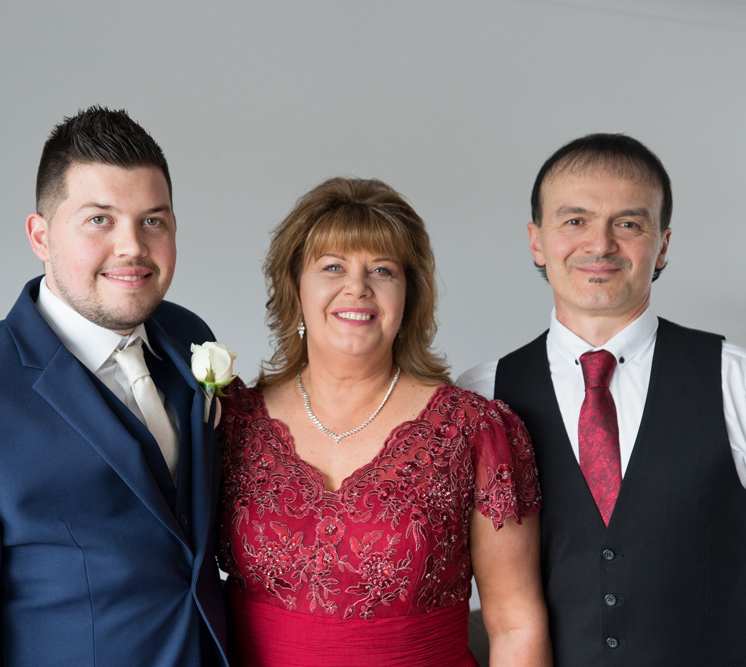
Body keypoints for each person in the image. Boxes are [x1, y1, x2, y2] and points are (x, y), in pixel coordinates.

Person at [459, 133, 746, 666]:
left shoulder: (744, 383)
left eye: (628, 224)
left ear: (662, 245)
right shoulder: (482, 398)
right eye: (575, 221)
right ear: (536, 241)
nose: (600, 245)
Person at [0, 107, 228, 666]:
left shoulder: (189, 338)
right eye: (99, 220)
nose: (132, 247)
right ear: (41, 236)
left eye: (153, 221)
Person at [216, 177, 551, 667]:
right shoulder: (231, 422)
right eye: (333, 267)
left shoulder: (473, 431)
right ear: (295, 286)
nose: (357, 287)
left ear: (408, 296)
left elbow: (515, 624)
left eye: (382, 270)